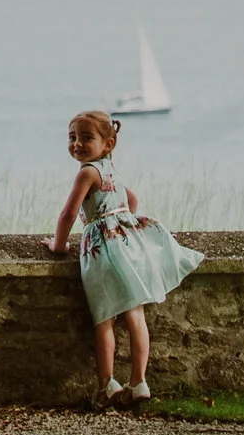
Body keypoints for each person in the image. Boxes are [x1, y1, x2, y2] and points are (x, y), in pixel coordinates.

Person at [44, 109, 205, 411]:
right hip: (128, 244)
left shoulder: (87, 172)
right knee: (135, 315)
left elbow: (67, 214)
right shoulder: (110, 170)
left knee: (104, 318)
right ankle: (138, 381)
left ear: (108, 143)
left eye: (86, 138)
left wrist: (58, 245)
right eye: (72, 138)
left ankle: (107, 384)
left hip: (103, 249)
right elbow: (131, 199)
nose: (77, 144)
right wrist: (121, 219)